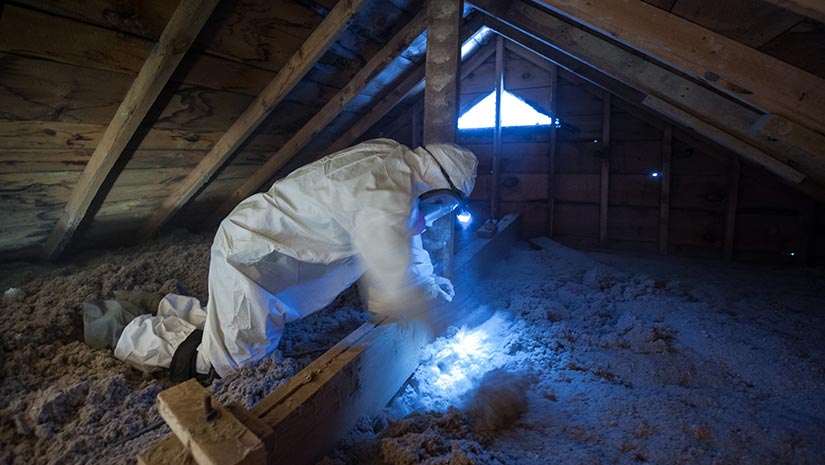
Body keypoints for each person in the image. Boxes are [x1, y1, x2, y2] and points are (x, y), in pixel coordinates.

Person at [112, 139, 478, 379]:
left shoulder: (394, 162)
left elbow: (402, 240)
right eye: (444, 203)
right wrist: (429, 313)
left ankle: (155, 308)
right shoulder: (388, 196)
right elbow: (390, 260)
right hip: (253, 253)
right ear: (439, 186)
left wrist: (427, 284)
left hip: (274, 245)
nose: (439, 212)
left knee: (230, 325)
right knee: (232, 363)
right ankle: (117, 329)